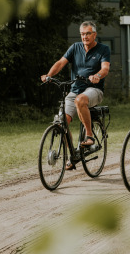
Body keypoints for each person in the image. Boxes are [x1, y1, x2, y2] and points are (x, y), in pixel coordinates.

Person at [41, 21, 111, 170]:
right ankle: (73, 155)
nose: (84, 36)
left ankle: (89, 135)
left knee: (81, 100)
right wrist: (49, 75)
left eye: (88, 33)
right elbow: (61, 63)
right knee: (62, 122)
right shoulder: (75, 47)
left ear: (94, 35)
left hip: (94, 90)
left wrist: (97, 75)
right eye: (82, 34)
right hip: (75, 89)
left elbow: (105, 68)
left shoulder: (103, 49)